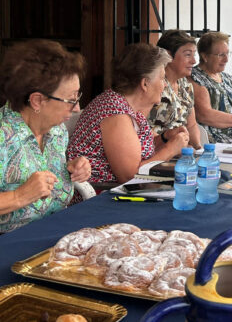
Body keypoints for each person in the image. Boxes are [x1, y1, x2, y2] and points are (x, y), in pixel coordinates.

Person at [0, 40, 91, 233]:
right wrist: (19, 196)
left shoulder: (56, 131)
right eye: (70, 100)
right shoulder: (3, 135)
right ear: (37, 100)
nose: (76, 108)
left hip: (55, 233)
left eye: (77, 97)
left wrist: (72, 169)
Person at [68, 43, 188, 183]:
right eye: (162, 78)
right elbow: (130, 176)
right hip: (102, 195)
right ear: (144, 84)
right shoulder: (115, 114)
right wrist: (170, 149)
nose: (165, 85)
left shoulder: (128, 107)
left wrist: (165, 138)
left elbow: (139, 148)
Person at [148, 30, 201, 149]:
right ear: (168, 55)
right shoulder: (154, 84)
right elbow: (142, 127)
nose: (194, 61)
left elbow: (191, 125)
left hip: (182, 151)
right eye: (188, 55)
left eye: (194, 54)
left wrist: (198, 149)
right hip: (156, 150)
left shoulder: (186, 85)